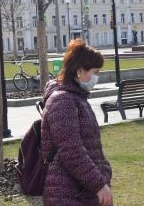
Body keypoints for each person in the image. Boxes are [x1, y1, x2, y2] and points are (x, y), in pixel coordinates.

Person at [41, 39, 113, 206]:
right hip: (67, 193)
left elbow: (89, 145)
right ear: (80, 71)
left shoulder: (76, 97)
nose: (97, 78)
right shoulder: (63, 101)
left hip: (81, 190)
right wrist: (99, 184)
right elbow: (71, 150)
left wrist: (105, 170)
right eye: (95, 72)